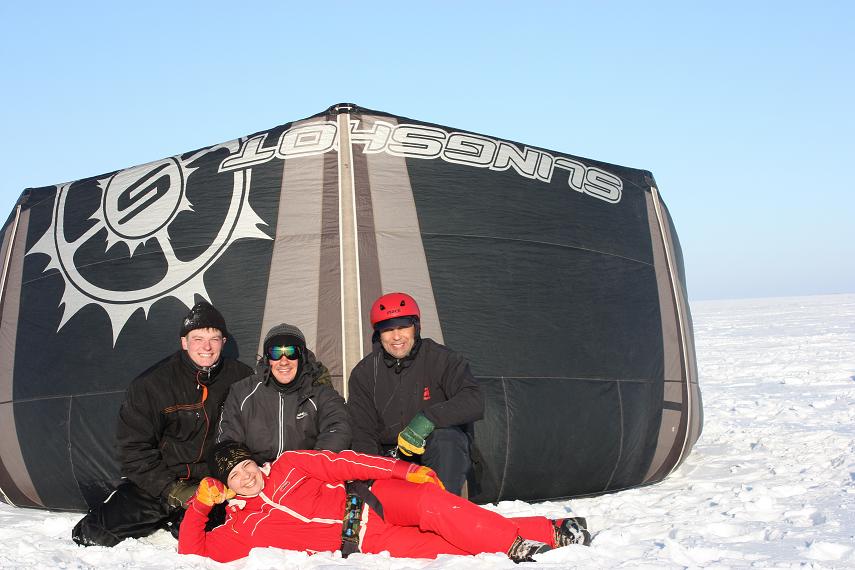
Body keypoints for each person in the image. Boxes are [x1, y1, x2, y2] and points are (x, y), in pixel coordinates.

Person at [178, 441, 590, 563]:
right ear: (226, 486)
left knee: (436, 506)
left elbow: (345, 462)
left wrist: (402, 470)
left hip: (371, 500)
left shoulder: (288, 464)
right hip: (366, 542)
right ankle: (550, 531)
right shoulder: (240, 529)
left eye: (246, 465)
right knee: (447, 548)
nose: (246, 476)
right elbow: (191, 552)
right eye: (235, 475)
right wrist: (199, 506)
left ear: (255, 462)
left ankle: (516, 545)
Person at [72, 301, 253, 547]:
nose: (207, 347)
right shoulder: (151, 385)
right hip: (160, 481)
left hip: (211, 482)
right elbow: (133, 451)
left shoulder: (242, 378)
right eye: (198, 339)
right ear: (184, 342)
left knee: (205, 537)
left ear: (223, 342)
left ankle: (179, 520)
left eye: (214, 339)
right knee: (93, 536)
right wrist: (173, 490)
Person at [347, 292, 484, 496]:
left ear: (416, 327)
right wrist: (371, 479)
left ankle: (442, 507)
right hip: (392, 462)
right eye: (388, 329)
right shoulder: (364, 373)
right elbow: (363, 432)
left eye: (403, 327)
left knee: (447, 438)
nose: (396, 337)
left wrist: (427, 419)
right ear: (378, 334)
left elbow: (474, 400)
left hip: (438, 458)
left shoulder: (442, 359)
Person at [216, 322, 350, 463]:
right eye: (276, 353)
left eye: (291, 352)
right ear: (267, 359)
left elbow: (338, 428)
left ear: (302, 356)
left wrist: (310, 465)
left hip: (305, 470)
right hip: (256, 473)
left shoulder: (320, 393)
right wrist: (247, 469)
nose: (284, 361)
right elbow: (227, 440)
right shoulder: (242, 393)